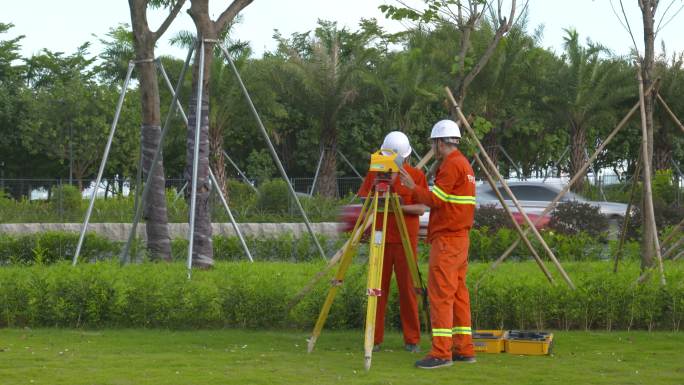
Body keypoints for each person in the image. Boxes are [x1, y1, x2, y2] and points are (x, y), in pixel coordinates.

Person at [399, 119, 477, 369]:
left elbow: (436, 200)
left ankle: (441, 353)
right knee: (458, 294)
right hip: (460, 239)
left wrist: (413, 188)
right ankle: (463, 348)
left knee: (441, 295)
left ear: (441, 143)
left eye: (433, 142)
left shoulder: (451, 165)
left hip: (447, 239)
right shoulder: (464, 165)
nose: (432, 147)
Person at [357, 131, 428, 353]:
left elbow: (421, 208)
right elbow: (364, 201)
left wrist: (397, 206)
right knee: (377, 290)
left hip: (405, 241)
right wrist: (380, 199)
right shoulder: (375, 174)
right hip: (381, 240)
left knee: (408, 291)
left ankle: (412, 339)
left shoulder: (416, 176)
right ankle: (375, 338)